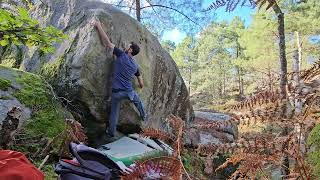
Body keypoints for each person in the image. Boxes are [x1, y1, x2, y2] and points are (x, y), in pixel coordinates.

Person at [91, 19, 146, 137]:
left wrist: (98, 26)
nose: (126, 46)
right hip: (129, 92)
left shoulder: (121, 55)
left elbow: (107, 42)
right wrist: (140, 85)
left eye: (128, 46)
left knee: (114, 113)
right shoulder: (135, 65)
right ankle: (143, 115)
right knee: (138, 102)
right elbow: (141, 81)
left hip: (116, 93)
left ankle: (111, 133)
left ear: (130, 50)